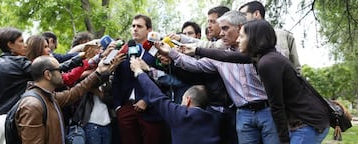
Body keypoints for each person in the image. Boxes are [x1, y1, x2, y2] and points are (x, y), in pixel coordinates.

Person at [156, 11, 280, 144]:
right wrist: (171, 53)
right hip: (243, 114)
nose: (221, 34)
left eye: (225, 28)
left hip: (268, 110)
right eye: (221, 30)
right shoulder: (219, 56)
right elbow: (195, 65)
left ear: (240, 27)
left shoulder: (262, 52)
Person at [235, 20, 329, 143]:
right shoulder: (270, 57)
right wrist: (200, 50)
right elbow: (228, 56)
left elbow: (276, 106)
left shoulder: (267, 62)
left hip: (306, 124)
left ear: (254, 38)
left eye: (241, 36)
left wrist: (283, 141)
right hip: (308, 122)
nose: (237, 40)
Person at [16, 55, 123, 143]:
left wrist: (98, 72)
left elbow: (74, 93)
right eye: (59, 70)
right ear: (48, 75)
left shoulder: (48, 97)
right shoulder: (33, 105)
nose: (63, 73)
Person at [130, 58, 220, 144]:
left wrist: (139, 72)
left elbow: (156, 95)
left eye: (182, 100)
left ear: (188, 100)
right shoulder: (214, 119)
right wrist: (149, 69)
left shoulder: (179, 115)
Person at [111, 14, 166, 144]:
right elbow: (117, 81)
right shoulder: (123, 51)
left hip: (151, 109)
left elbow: (163, 79)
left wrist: (147, 101)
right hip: (126, 109)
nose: (135, 29)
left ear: (149, 30)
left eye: (139, 26)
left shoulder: (159, 51)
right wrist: (118, 107)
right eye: (133, 26)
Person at [238, 1, 301, 73]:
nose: (241, 20)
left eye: (244, 15)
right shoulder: (242, 40)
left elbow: (296, 67)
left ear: (256, 14)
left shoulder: (283, 35)